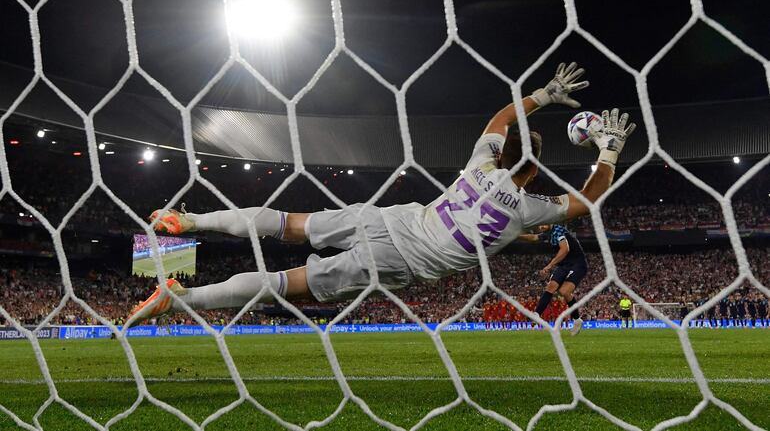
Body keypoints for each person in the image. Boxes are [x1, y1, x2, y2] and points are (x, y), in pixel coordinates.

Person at [128, 63, 637, 324]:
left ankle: (194, 221)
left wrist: (542, 95)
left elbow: (499, 120)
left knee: (290, 222)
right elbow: (587, 201)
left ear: (504, 155)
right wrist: (609, 152)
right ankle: (182, 297)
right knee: (288, 282)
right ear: (537, 168)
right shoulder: (528, 208)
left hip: (394, 218)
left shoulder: (480, 165)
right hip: (402, 259)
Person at [519, 223, 588, 336]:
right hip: (564, 265)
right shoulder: (548, 233)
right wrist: (517, 235)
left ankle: (577, 319)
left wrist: (550, 265)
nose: (541, 227)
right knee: (551, 286)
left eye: (543, 224)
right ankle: (536, 314)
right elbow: (534, 237)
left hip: (577, 263)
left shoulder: (558, 230)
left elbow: (565, 249)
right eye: (539, 225)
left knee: (564, 291)